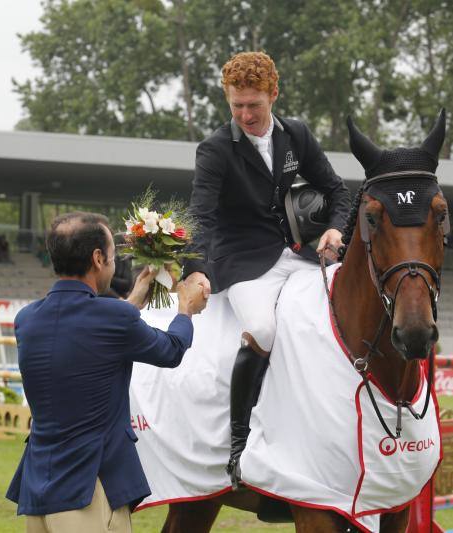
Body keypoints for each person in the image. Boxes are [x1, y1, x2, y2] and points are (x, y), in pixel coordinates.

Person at [182, 51, 351, 486]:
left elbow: (337, 191)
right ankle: (238, 447)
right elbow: (199, 214)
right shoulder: (216, 148)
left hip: (294, 255)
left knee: (340, 314)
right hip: (240, 262)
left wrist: (334, 230)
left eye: (253, 105)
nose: (244, 114)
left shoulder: (296, 134)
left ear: (274, 94)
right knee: (265, 330)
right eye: (236, 105)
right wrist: (196, 269)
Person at [6, 211, 207, 533]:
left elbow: (89, 331)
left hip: (39, 488)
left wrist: (133, 301)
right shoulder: (112, 318)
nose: (115, 265)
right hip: (88, 491)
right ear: (98, 258)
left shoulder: (27, 319)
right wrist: (186, 309)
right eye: (113, 257)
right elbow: (170, 351)